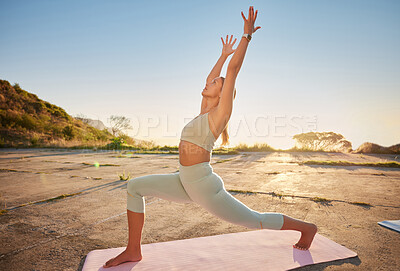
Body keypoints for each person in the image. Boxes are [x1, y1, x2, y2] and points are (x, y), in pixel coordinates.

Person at [103, 6, 317, 268]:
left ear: (223, 93)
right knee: (134, 187)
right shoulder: (202, 112)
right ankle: (133, 250)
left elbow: (234, 70)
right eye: (212, 81)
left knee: (255, 220)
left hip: (203, 185)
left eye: (216, 83)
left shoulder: (219, 115)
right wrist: (221, 55)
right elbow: (210, 77)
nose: (209, 82)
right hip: (183, 179)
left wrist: (246, 37)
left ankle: (306, 228)